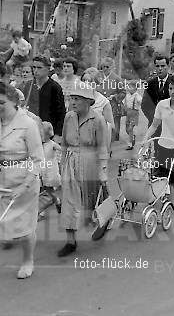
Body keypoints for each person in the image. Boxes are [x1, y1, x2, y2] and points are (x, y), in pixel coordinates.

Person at [0, 82, 44, 292]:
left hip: (22, 182)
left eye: (2, 102)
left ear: (14, 101)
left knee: (24, 230)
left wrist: (24, 185)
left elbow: (38, 159)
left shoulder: (28, 124)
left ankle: (27, 260)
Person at [57, 84, 109, 256]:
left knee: (92, 199)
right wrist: (61, 163)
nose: (72, 102)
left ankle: (103, 219)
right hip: (71, 163)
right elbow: (64, 143)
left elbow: (102, 147)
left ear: (87, 101)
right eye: (71, 98)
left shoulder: (98, 120)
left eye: (76, 99)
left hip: (90, 163)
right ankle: (70, 241)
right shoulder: (68, 117)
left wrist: (103, 170)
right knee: (69, 201)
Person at [142, 75, 174, 213]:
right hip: (163, 146)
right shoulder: (162, 105)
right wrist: (146, 139)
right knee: (161, 177)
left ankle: (167, 210)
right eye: (170, 88)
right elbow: (154, 125)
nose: (172, 91)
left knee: (171, 181)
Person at [24, 56, 66, 141]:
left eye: (39, 68)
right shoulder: (28, 85)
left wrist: (58, 134)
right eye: (34, 67)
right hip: (29, 129)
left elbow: (61, 113)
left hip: (48, 132)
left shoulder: (55, 87)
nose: (36, 71)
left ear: (48, 69)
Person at [38, 122, 61, 222]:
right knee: (46, 191)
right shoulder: (40, 145)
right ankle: (57, 202)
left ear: (47, 134)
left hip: (50, 172)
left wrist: (60, 159)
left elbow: (61, 150)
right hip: (42, 171)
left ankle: (41, 211)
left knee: (48, 190)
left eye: (41, 133)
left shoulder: (52, 144)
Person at [142, 55, 171, 133]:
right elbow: (144, 105)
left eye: (163, 66)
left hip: (171, 124)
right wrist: (154, 118)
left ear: (168, 66)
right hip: (154, 124)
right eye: (157, 66)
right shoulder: (150, 83)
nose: (160, 69)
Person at [99, 58, 125, 143]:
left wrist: (115, 97)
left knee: (114, 125)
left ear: (112, 67)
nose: (105, 69)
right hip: (101, 106)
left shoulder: (117, 79)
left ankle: (113, 141)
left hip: (114, 106)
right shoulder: (98, 77)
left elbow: (123, 92)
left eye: (107, 66)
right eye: (103, 67)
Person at [123, 81, 142, 150]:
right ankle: (132, 136)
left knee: (130, 128)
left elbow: (140, 101)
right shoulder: (127, 95)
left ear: (135, 89)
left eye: (130, 87)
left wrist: (140, 102)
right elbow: (124, 103)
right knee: (127, 129)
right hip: (128, 113)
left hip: (134, 113)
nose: (128, 88)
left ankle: (130, 144)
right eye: (128, 86)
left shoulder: (137, 96)